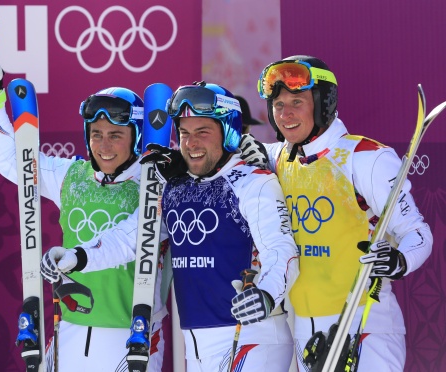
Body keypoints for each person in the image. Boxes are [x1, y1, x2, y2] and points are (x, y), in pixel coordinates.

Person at [43, 81, 299, 371]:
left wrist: (265, 294)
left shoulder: (253, 182)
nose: (191, 143)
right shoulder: (175, 187)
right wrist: (77, 257)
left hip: (252, 336)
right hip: (196, 340)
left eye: (203, 132)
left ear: (228, 132)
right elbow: (133, 237)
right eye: (185, 133)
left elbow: (282, 250)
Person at [0, 42, 169, 371]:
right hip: (69, 328)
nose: (104, 145)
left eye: (115, 135)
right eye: (96, 134)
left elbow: (129, 241)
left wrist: (78, 257)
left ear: (137, 136)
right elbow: (12, 161)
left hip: (129, 334)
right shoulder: (72, 175)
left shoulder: (155, 184)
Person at [255, 55, 433, 370]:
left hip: (366, 325)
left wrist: (398, 261)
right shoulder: (277, 157)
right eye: (278, 105)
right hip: (307, 333)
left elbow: (417, 233)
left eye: (297, 101)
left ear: (323, 103)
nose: (286, 114)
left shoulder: (363, 158)